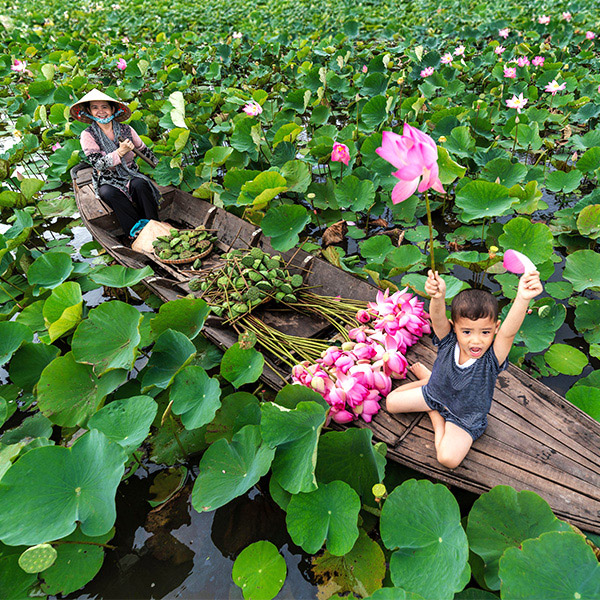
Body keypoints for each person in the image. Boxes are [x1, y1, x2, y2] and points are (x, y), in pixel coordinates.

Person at [386, 269, 543, 469]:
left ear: (495, 328)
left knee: (447, 459)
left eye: (485, 332)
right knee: (391, 403)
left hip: (465, 416)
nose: (475, 340)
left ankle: (434, 416)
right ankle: (429, 382)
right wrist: (438, 297)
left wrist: (522, 297)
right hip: (436, 393)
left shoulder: (490, 359)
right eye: (467, 331)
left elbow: (508, 333)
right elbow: (438, 318)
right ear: (455, 327)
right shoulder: (448, 340)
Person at [70, 89, 160, 238]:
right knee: (110, 193)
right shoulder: (88, 135)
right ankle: (135, 233)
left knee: (141, 185)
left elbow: (143, 150)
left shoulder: (126, 129)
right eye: (95, 108)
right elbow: (98, 164)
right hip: (107, 178)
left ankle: (154, 225)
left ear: (112, 109)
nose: (101, 112)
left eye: (104, 107)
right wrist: (120, 152)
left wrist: (160, 168)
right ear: (89, 111)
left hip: (130, 172)